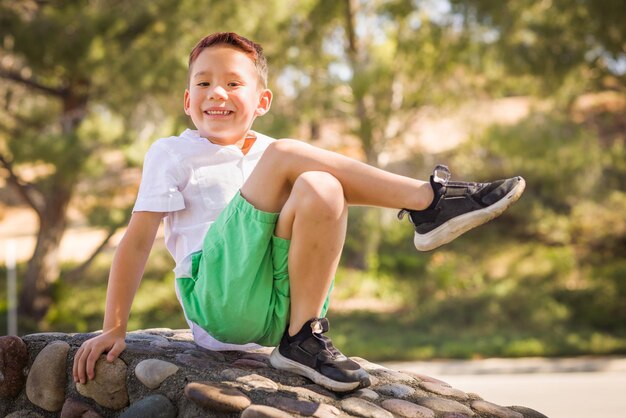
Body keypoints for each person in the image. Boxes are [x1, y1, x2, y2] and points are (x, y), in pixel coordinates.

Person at [72, 32, 525, 392]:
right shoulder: (172, 153)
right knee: (291, 157)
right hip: (220, 301)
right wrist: (114, 327)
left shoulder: (271, 154)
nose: (217, 93)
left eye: (233, 83)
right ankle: (429, 202)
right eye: (204, 83)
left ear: (262, 101)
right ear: (187, 101)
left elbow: (336, 200)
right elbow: (136, 241)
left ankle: (304, 339)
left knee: (323, 184)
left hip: (280, 310)